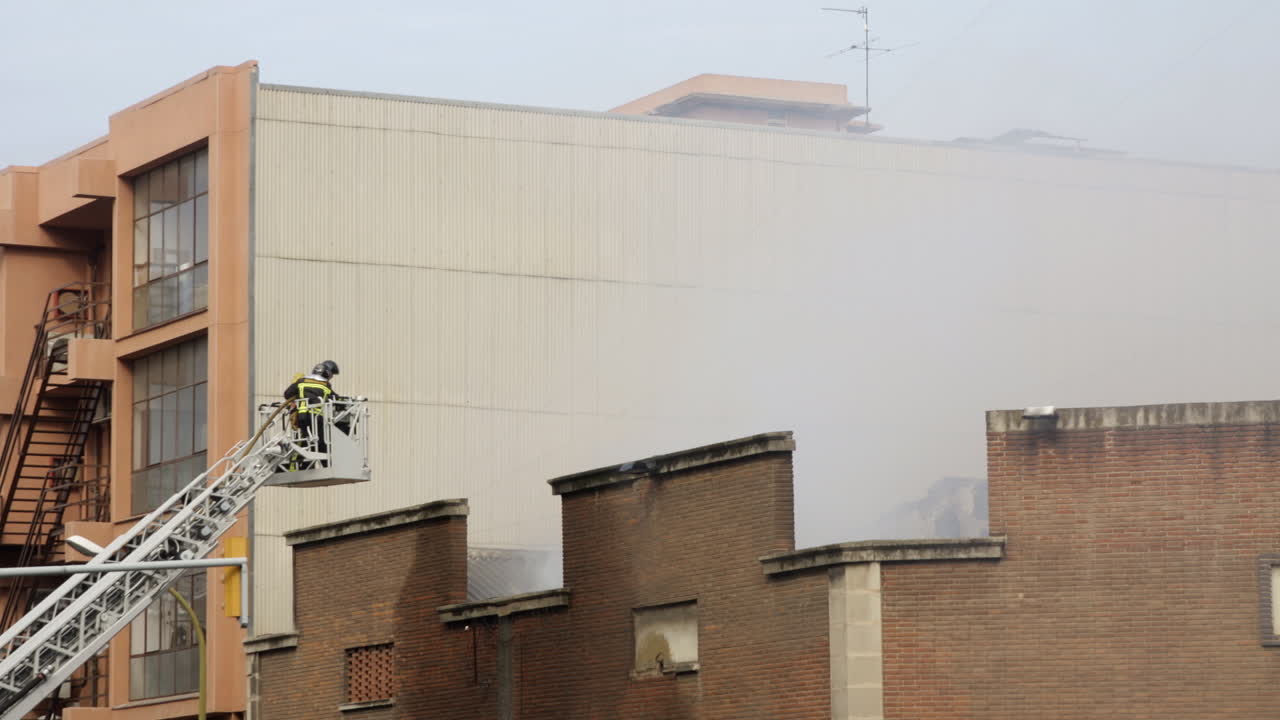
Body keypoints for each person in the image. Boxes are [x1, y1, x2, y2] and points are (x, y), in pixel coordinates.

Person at [283, 361, 340, 468]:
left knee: (305, 441)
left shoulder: (301, 381)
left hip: (301, 417)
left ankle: (300, 466)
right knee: (322, 443)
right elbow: (334, 398)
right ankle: (329, 467)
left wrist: (298, 395)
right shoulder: (325, 385)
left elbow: (287, 394)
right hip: (316, 418)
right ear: (326, 374)